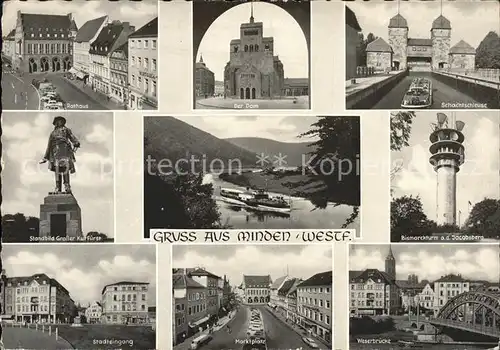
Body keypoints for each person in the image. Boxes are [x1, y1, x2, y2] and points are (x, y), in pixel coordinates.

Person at [40, 116, 80, 193]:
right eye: (58, 121)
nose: (60, 122)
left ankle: (67, 187)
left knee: (65, 169)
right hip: (55, 153)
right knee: (57, 170)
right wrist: (45, 158)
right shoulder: (52, 133)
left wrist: (76, 142)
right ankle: (58, 188)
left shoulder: (66, 130)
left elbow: (72, 137)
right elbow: (49, 146)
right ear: (56, 123)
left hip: (64, 151)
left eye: (61, 121)